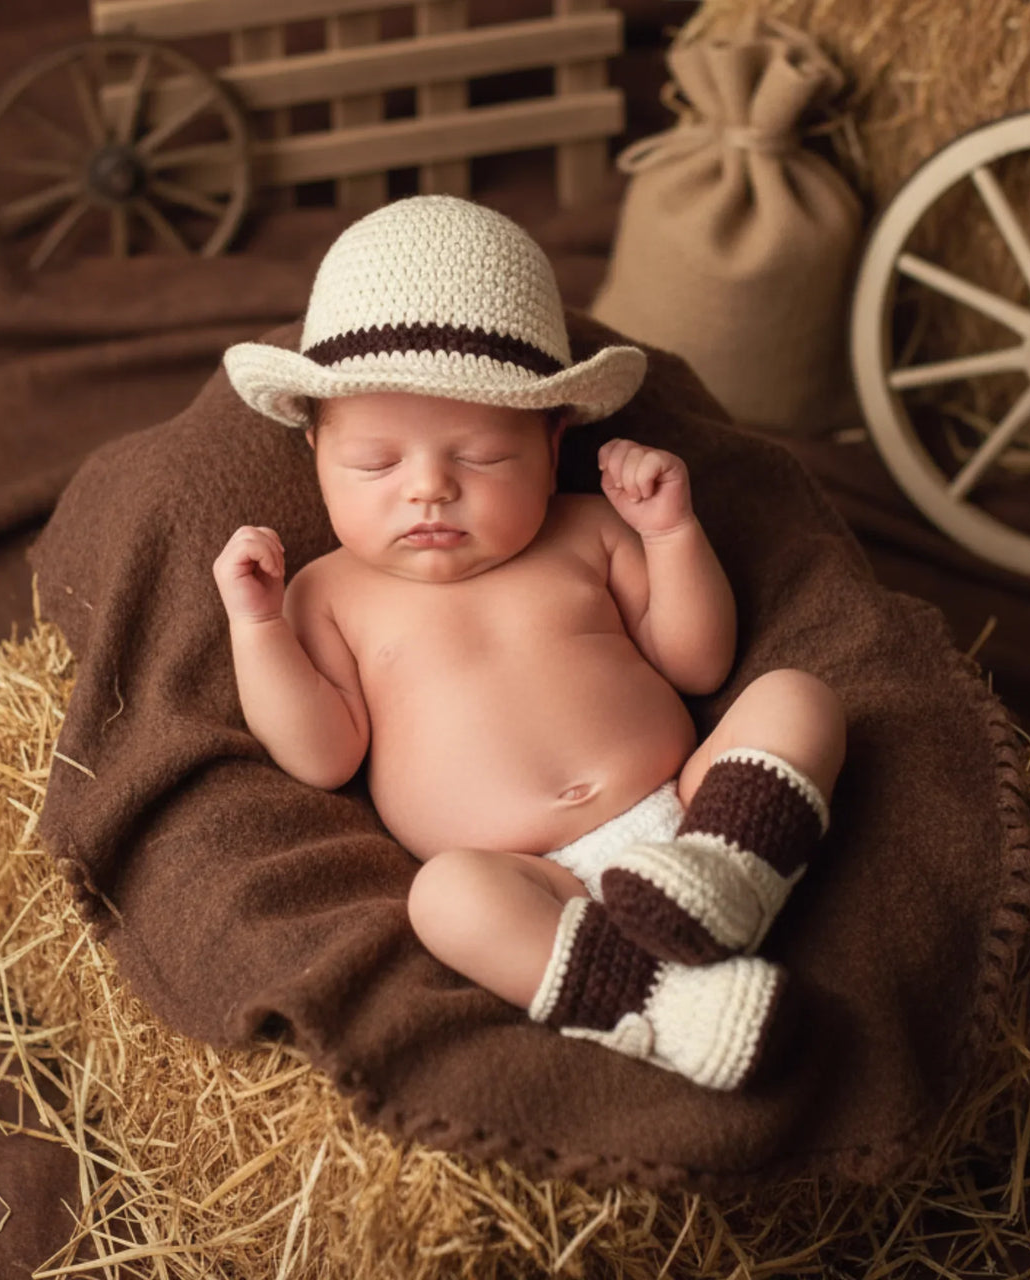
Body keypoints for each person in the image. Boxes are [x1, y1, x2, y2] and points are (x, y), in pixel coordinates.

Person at [214, 196, 846, 1091]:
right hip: (534, 882)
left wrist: (670, 535)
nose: (429, 491)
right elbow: (322, 754)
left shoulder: (588, 531)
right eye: (377, 464)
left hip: (691, 808)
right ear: (314, 449)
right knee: (445, 899)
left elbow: (696, 661)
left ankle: (729, 876)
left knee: (796, 698)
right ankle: (664, 1006)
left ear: (555, 444)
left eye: (480, 458)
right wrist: (258, 625)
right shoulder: (327, 593)